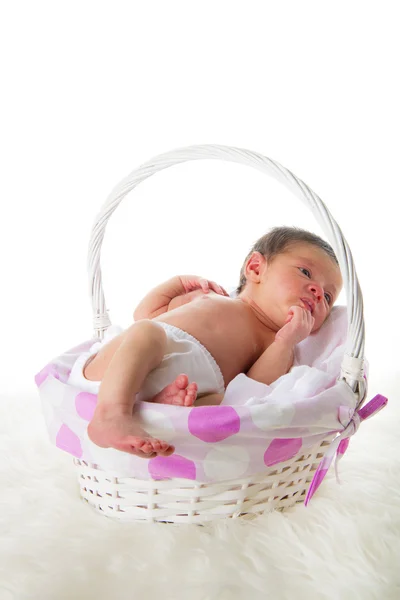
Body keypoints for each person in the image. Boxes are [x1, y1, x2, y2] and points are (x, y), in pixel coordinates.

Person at [75, 227, 342, 459]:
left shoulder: (279, 346)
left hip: (179, 389)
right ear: (256, 268)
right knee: (147, 333)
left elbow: (254, 387)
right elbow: (146, 316)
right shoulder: (213, 298)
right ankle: (111, 413)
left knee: (221, 402)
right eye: (305, 272)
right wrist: (175, 283)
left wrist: (286, 341)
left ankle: (159, 408)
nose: (317, 292)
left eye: (328, 297)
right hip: (118, 370)